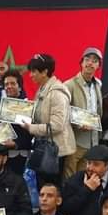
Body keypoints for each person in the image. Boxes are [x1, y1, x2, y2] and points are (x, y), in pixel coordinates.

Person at [21, 53, 76, 186]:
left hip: (55, 151)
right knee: (42, 186)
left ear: (45, 72)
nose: (30, 75)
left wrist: (31, 128)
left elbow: (57, 125)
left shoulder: (57, 93)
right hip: (43, 147)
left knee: (51, 188)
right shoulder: (42, 89)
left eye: (34, 71)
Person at [63, 47, 103, 179]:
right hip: (75, 140)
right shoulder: (69, 85)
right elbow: (62, 111)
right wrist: (78, 124)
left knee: (85, 177)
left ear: (98, 66)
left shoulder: (98, 85)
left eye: (95, 61)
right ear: (81, 63)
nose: (90, 63)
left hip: (93, 140)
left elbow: (98, 111)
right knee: (70, 176)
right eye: (87, 59)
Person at [1, 69, 32, 175]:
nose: (9, 86)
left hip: (21, 157)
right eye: (6, 84)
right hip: (4, 156)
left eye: (12, 83)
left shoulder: (27, 105)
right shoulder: (3, 106)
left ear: (19, 86)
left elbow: (30, 134)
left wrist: (15, 144)